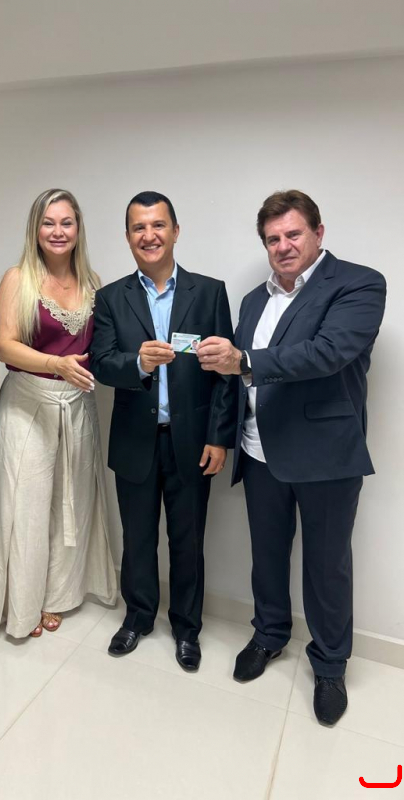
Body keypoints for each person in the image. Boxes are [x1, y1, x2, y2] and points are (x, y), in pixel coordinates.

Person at [198, 189, 386, 724]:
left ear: (318, 233)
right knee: (267, 556)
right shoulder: (253, 301)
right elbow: (234, 379)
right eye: (272, 238)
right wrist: (224, 429)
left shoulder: (359, 283)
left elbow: (328, 353)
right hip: (259, 452)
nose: (282, 246)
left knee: (327, 567)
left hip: (326, 457)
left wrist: (244, 359)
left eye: (293, 234)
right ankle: (269, 634)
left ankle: (329, 665)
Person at [90, 191, 237, 672]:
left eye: (158, 225)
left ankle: (187, 628)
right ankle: (138, 617)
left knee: (188, 541)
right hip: (135, 440)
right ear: (127, 236)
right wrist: (137, 363)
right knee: (137, 538)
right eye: (139, 227)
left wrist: (219, 436)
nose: (149, 235)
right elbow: (102, 364)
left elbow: (225, 374)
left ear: (175, 231)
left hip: (192, 442)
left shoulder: (209, 292)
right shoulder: (110, 297)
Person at [0, 188, 117, 640]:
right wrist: (55, 364)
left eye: (66, 222)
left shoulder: (93, 282)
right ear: (35, 229)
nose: (58, 231)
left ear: (78, 228)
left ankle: (58, 596)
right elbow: (5, 345)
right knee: (28, 506)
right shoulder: (17, 279)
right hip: (29, 403)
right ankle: (23, 606)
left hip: (77, 406)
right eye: (48, 222)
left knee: (73, 503)